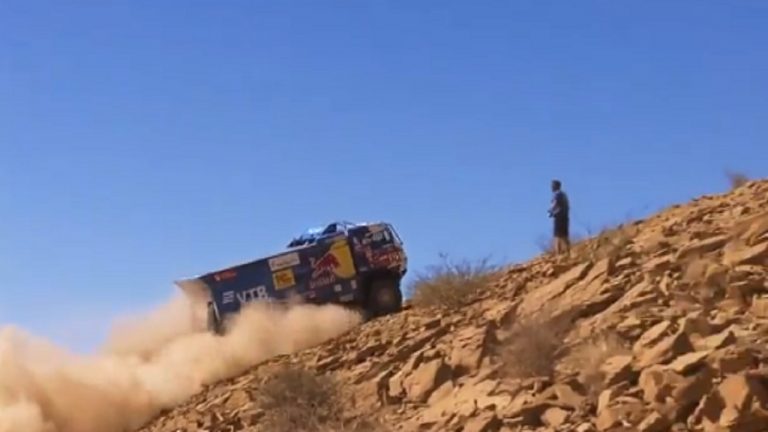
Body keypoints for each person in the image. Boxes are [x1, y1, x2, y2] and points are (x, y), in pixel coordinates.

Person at [548, 179, 570, 256]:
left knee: (557, 235)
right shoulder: (564, 195)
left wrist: (550, 211)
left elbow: (555, 204)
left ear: (556, 186)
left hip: (558, 217)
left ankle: (558, 254)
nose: (551, 187)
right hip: (565, 217)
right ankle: (568, 252)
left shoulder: (557, 194)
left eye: (552, 185)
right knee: (564, 235)